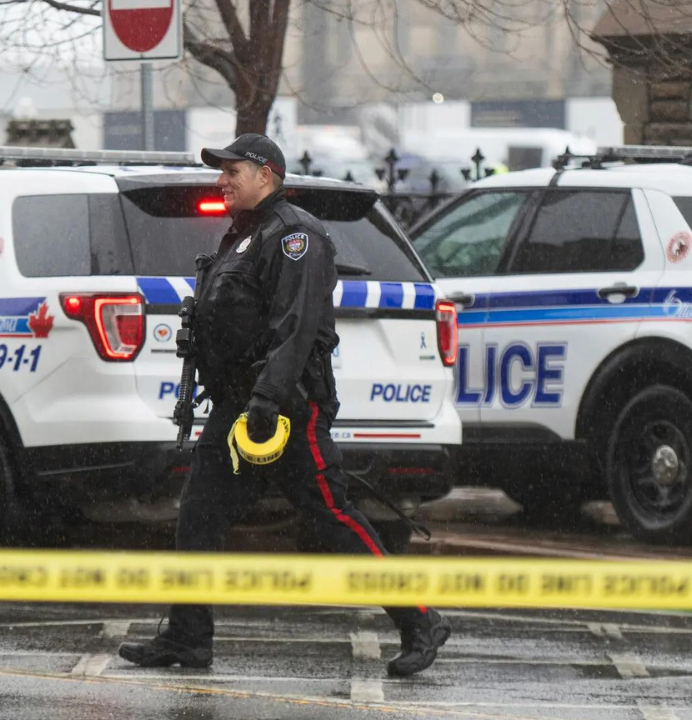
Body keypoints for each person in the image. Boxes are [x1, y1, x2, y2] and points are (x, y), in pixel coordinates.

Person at [117, 133, 450, 677]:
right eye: (221, 171)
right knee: (199, 511)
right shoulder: (244, 236)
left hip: (287, 407)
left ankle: (419, 620)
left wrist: (268, 397)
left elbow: (295, 328)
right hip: (239, 405)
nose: (221, 181)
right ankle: (187, 636)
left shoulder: (296, 236)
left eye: (232, 171)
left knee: (330, 517)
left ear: (265, 175)